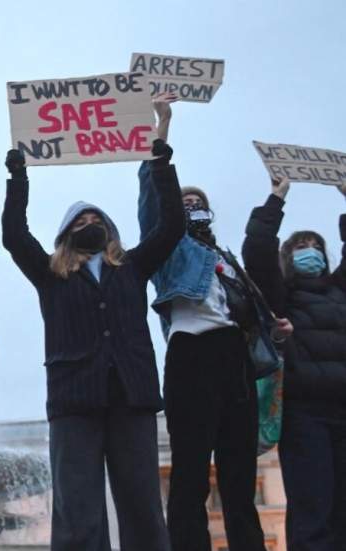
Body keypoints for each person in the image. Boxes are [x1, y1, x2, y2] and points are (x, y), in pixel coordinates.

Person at [3, 128, 183, 549]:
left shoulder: (133, 267)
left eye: (96, 221)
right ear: (66, 236)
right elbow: (14, 236)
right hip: (73, 401)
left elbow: (172, 225)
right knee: (78, 510)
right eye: (80, 223)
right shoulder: (51, 275)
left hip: (132, 395)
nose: (89, 225)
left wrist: (161, 164)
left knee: (142, 506)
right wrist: (18, 177)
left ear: (109, 229)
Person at [140, 94, 292, 551]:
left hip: (235, 361)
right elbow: (155, 200)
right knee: (190, 473)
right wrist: (161, 130)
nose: (192, 206)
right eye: (185, 202)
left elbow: (248, 310)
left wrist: (272, 328)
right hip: (191, 354)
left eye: (198, 203)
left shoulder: (224, 259)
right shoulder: (168, 247)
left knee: (239, 472)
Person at [242, 177, 346, 551]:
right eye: (301, 246)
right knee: (313, 508)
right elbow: (256, 250)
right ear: (288, 258)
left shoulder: (340, 289)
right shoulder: (280, 295)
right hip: (305, 416)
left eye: (316, 246)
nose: (310, 251)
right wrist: (276, 198)